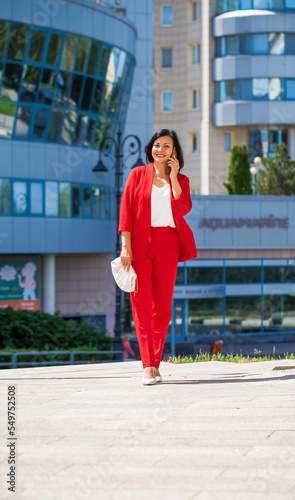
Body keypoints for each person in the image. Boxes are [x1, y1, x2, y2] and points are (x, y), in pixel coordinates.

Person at [118, 129, 197, 385]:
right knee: (141, 306)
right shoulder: (137, 174)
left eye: (166, 146)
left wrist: (173, 177)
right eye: (157, 144)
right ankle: (148, 367)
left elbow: (183, 207)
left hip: (168, 243)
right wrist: (125, 246)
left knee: (161, 309)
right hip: (140, 243)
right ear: (151, 147)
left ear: (174, 152)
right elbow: (126, 212)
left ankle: (156, 360)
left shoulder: (181, 180)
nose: (160, 149)